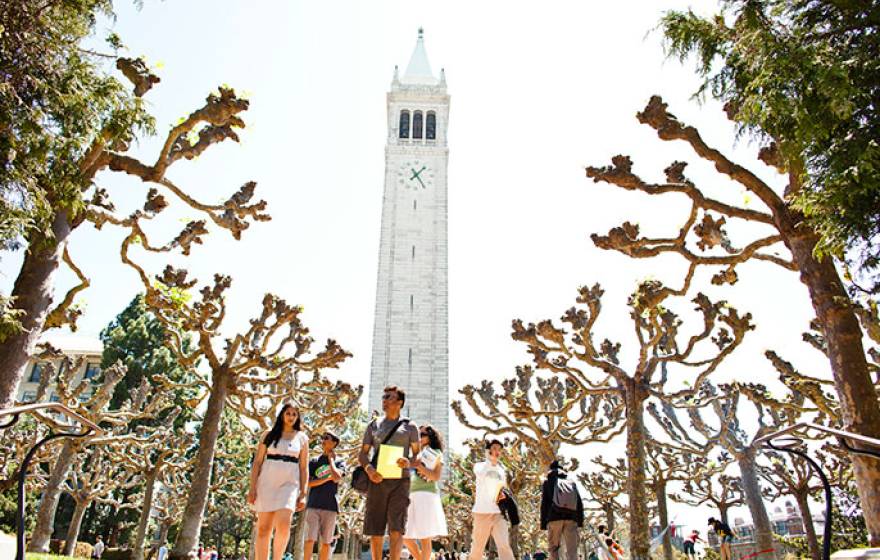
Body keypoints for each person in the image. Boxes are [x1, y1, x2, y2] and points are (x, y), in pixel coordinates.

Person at [359, 386, 421, 560]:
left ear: (400, 403)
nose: (384, 400)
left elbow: (418, 454)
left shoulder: (410, 427)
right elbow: (363, 454)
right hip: (377, 480)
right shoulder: (373, 425)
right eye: (384, 396)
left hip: (401, 482)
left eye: (389, 397)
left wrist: (409, 462)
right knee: (375, 528)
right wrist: (370, 470)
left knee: (396, 527)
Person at [248, 402, 309, 560]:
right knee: (264, 528)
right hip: (267, 483)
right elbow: (257, 462)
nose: (291, 417)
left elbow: (303, 468)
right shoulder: (268, 435)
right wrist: (252, 488)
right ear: (282, 414)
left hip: (289, 485)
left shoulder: (302, 438)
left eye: (294, 414)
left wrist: (303, 493)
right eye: (288, 413)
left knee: (283, 526)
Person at [404, 424, 448, 560]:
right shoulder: (416, 454)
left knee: (425, 537)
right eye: (418, 435)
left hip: (426, 495)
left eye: (423, 435)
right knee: (404, 536)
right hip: (410, 496)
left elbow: (435, 476)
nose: (419, 437)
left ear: (430, 437)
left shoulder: (436, 453)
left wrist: (419, 467)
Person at [468, 439, 514, 560]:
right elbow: (481, 473)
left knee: (504, 545)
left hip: (498, 513)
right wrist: (490, 461)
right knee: (478, 547)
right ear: (488, 450)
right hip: (482, 512)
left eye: (499, 449)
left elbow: (501, 490)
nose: (497, 451)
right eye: (494, 448)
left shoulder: (502, 470)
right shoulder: (479, 466)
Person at [305, 431, 345, 560]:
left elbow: (337, 477)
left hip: (330, 506)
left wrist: (331, 460)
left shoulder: (340, 461)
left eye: (326, 438)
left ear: (334, 443)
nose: (323, 440)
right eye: (322, 438)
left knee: (326, 542)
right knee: (310, 538)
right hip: (313, 505)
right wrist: (327, 478)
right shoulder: (314, 461)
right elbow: (309, 483)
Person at [540, 461, 584, 560]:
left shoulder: (548, 481)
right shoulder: (571, 482)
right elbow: (579, 503)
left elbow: (544, 503)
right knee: (572, 550)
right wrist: (580, 521)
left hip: (554, 518)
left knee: (554, 548)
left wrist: (543, 523)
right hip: (571, 518)